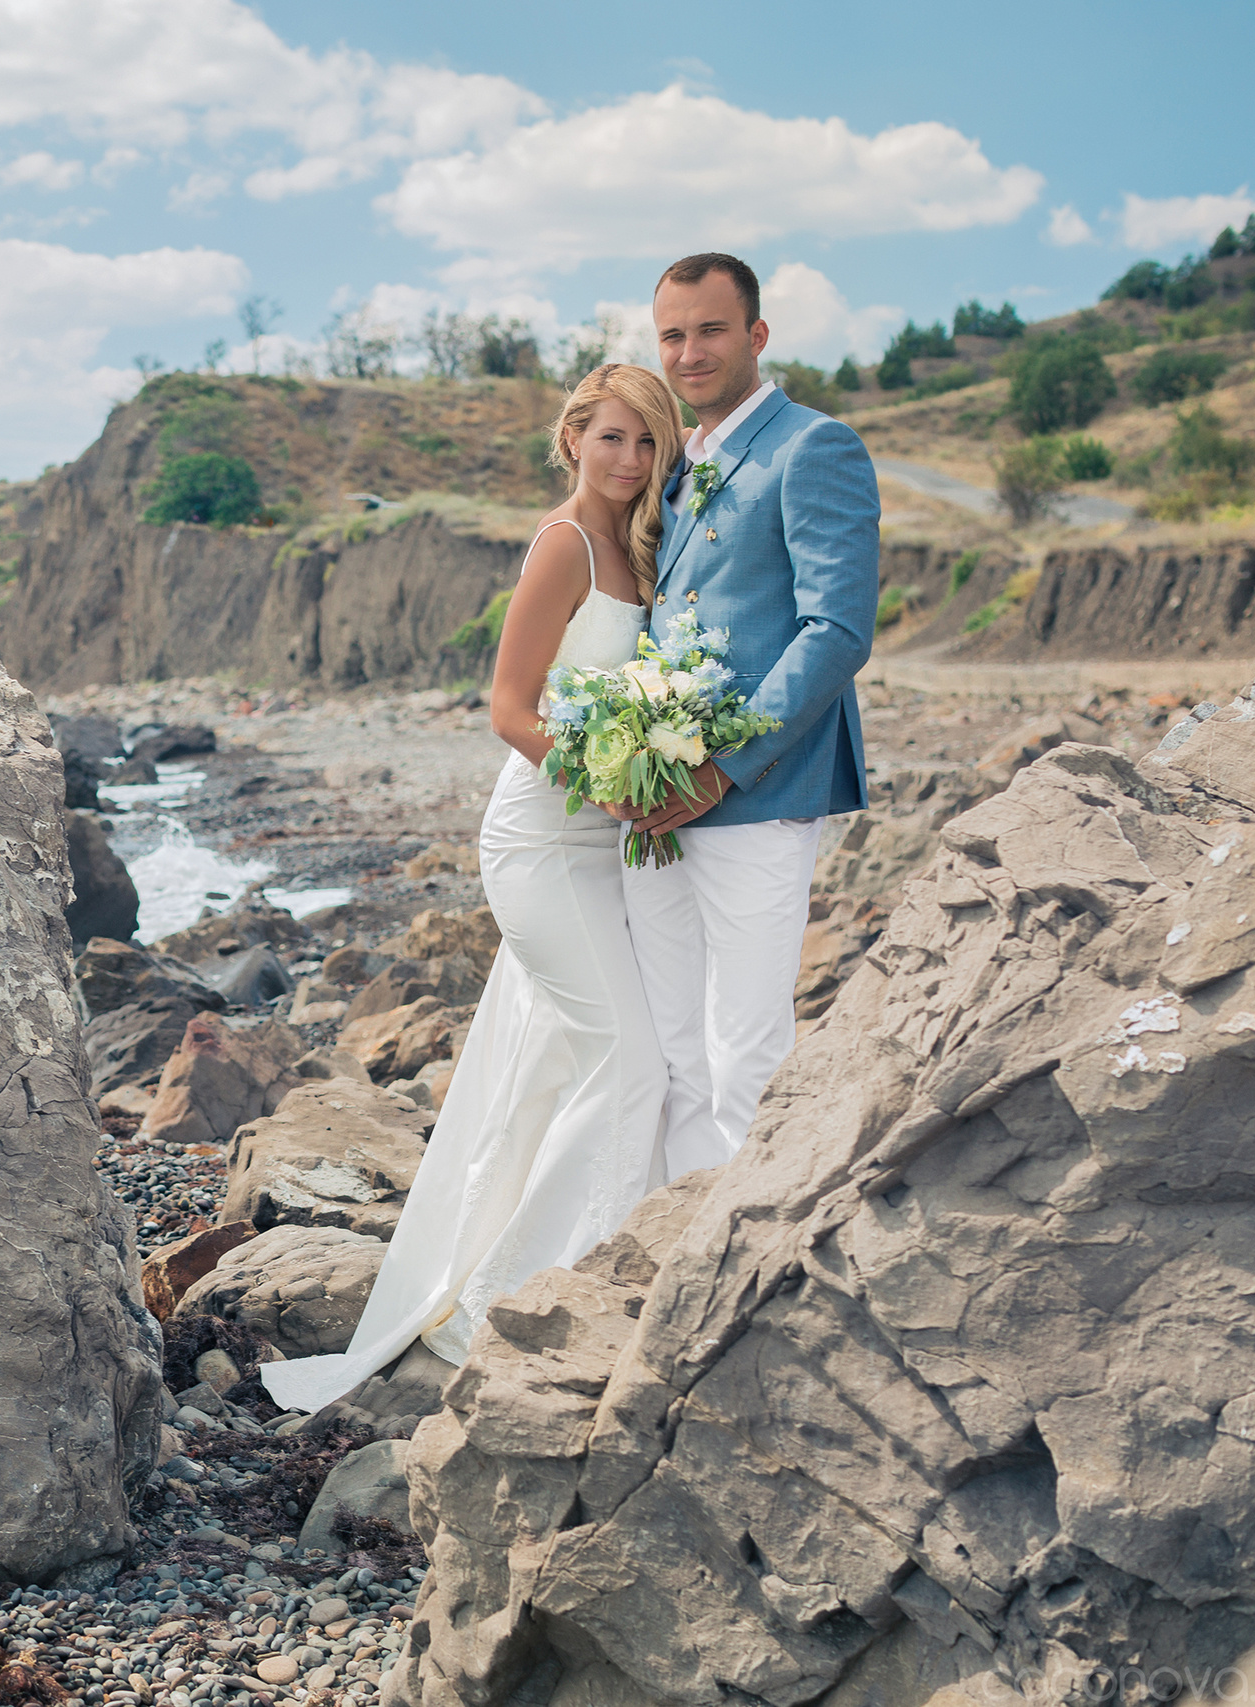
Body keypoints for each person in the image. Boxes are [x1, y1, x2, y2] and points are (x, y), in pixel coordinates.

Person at [263, 363, 683, 1414]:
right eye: (613, 440)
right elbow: (507, 707)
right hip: (543, 840)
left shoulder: (644, 549)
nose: (629, 462)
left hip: (605, 846)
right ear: (573, 439)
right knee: (628, 1060)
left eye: (647, 444)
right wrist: (612, 784)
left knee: (544, 1072)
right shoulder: (562, 544)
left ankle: (487, 1293)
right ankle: (534, 1297)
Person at [616, 254, 878, 1177]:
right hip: (655, 797)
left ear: (757, 335)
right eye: (673, 335)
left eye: (711, 330)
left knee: (747, 1045)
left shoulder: (815, 447)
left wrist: (721, 766)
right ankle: (683, 1227)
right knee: (674, 1045)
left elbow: (837, 630)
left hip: (756, 791)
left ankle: (750, 1257)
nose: (690, 353)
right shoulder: (671, 465)